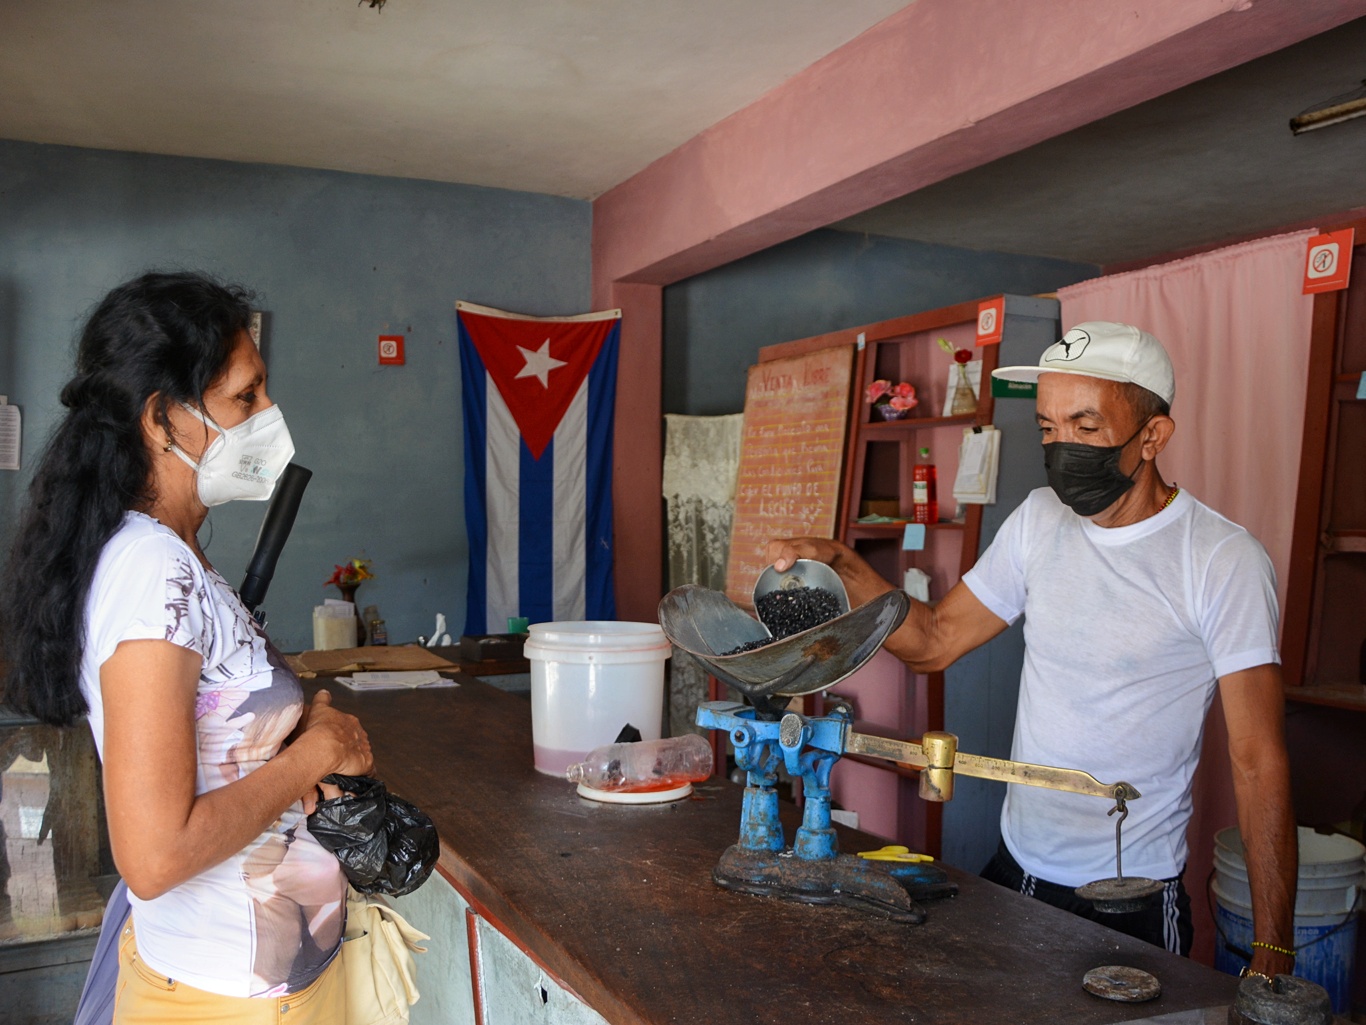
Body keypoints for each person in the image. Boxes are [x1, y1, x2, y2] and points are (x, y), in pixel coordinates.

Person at [769, 322, 1297, 980]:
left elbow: (1257, 759)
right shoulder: (1039, 520)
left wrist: (1274, 946)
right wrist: (844, 565)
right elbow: (934, 641)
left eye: (1085, 424)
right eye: (1049, 428)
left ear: (1154, 435)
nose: (1062, 448)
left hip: (1126, 897)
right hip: (1013, 869)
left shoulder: (1220, 559)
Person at [0, 272, 373, 1021]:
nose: (270, 414)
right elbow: (157, 852)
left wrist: (283, 744)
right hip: (218, 1002)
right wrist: (315, 750)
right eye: (246, 395)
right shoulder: (151, 571)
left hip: (263, 987)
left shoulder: (179, 554)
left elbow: (208, 743)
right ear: (163, 419)